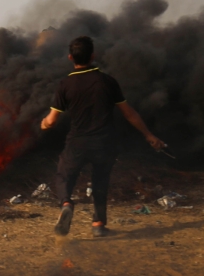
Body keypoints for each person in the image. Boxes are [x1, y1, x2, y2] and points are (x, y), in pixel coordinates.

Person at [40, 36, 165, 237]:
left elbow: (52, 120)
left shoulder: (66, 84)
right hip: (105, 142)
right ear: (93, 56)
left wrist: (44, 123)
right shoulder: (108, 82)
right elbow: (129, 113)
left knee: (64, 175)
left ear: (70, 57)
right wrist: (148, 135)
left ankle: (66, 204)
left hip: (77, 142)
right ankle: (98, 225)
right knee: (100, 181)